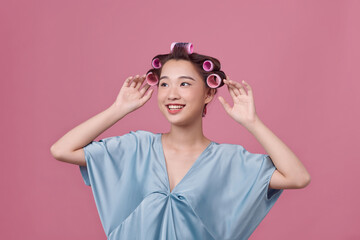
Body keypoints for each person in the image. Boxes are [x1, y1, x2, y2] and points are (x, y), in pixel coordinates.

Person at [50, 42, 311, 239]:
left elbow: (297, 177)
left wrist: (252, 123)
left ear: (209, 93)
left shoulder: (228, 161)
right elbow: (62, 149)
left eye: (184, 84)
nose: (171, 94)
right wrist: (118, 109)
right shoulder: (136, 148)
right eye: (164, 84)